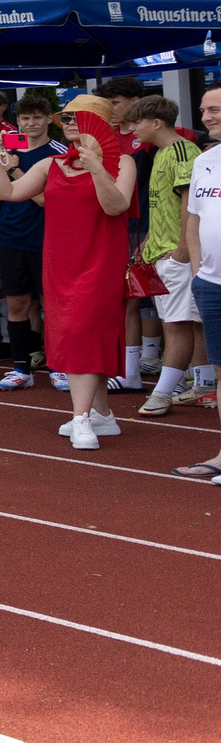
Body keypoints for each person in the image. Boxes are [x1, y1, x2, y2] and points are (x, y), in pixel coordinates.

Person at [0, 95, 135, 449]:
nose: (67, 124)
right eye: (64, 119)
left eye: (74, 118)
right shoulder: (52, 163)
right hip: (60, 261)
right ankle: (101, 415)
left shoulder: (123, 162)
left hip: (100, 260)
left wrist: (97, 168)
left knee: (82, 330)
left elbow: (117, 206)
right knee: (75, 330)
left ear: (96, 123)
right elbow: (7, 193)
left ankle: (81, 417)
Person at [0, 93, 61, 392]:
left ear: (49, 119)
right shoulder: (6, 149)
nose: (31, 123)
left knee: (51, 306)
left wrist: (13, 168)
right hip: (10, 236)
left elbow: (43, 200)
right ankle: (20, 368)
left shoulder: (59, 153)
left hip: (46, 238)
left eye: (37, 117)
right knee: (16, 303)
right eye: (25, 118)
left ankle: (58, 366)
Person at [126, 96, 203, 414]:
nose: (131, 128)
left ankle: (163, 392)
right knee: (186, 322)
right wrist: (147, 241)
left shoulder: (183, 151)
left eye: (136, 122)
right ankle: (201, 384)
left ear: (156, 123)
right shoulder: (161, 153)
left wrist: (183, 250)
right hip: (164, 253)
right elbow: (163, 206)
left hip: (177, 255)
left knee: (177, 324)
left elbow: (190, 203)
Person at [168, 85, 221, 480]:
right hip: (211, 283)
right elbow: (196, 219)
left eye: (216, 109)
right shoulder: (205, 160)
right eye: (204, 110)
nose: (207, 116)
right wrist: (200, 272)